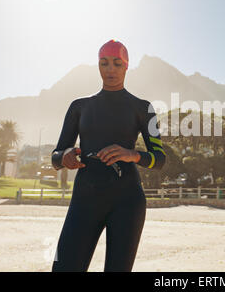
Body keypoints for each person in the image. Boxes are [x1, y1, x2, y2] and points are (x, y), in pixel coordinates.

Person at [51, 39, 166, 272]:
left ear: (126, 66)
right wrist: (65, 157)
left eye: (116, 63)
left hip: (127, 202)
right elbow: (55, 156)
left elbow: (159, 158)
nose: (110, 69)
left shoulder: (144, 108)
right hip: (85, 200)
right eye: (104, 63)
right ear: (98, 66)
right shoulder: (79, 107)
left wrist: (132, 154)